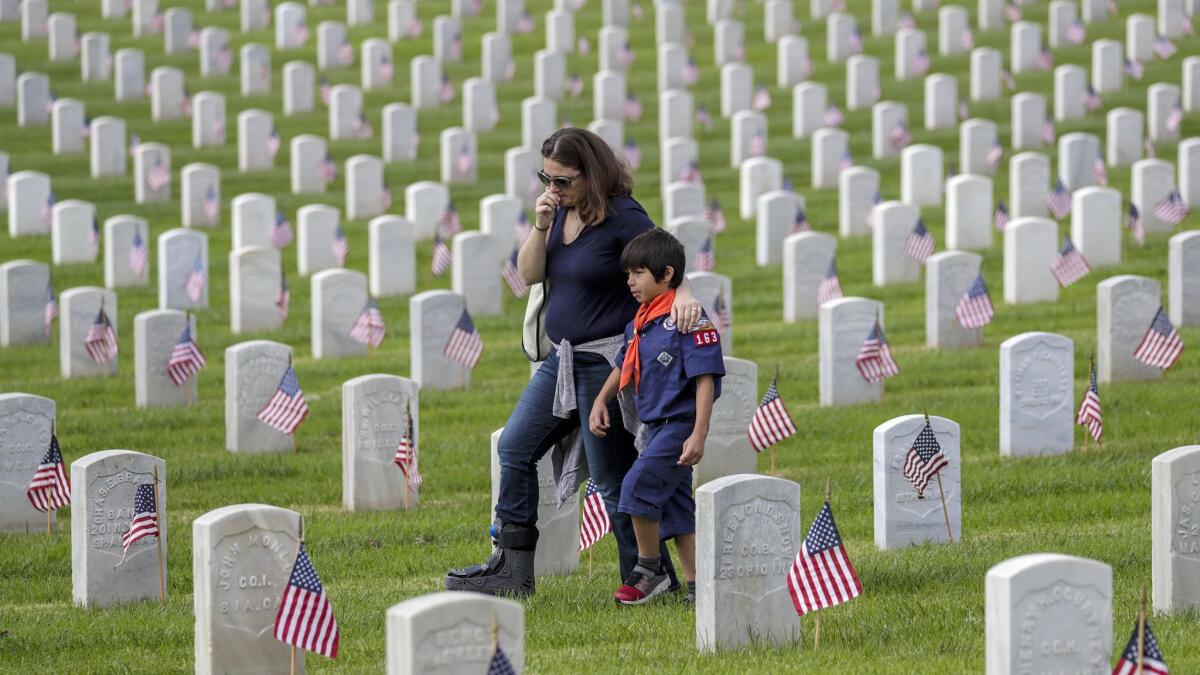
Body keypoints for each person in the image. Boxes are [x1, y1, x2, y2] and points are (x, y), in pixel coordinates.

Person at [444, 127, 704, 597]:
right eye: (547, 178)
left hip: (607, 363)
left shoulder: (624, 216)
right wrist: (540, 224)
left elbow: (664, 259)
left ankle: (648, 574)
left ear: (593, 173)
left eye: (563, 180)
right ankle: (512, 567)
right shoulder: (556, 211)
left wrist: (683, 290)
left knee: (611, 479)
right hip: (561, 360)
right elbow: (527, 274)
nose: (553, 188)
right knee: (515, 448)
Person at [589, 229, 724, 605]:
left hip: (679, 426)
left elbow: (705, 379)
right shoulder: (641, 321)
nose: (630, 282)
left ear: (666, 275)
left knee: (634, 488)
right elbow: (624, 364)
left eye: (638, 273)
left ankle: (650, 570)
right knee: (678, 509)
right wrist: (602, 398)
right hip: (655, 427)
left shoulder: (688, 318)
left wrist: (698, 433)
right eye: (628, 274)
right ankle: (701, 587)